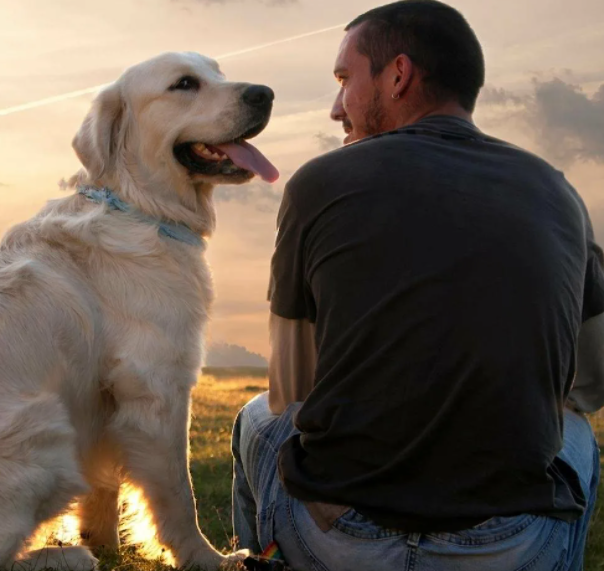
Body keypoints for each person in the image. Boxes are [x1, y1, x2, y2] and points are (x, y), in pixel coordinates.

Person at [231, 1, 604, 570]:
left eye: (343, 79)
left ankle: (264, 560)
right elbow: (594, 381)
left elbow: (292, 389)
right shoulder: (559, 195)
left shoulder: (320, 183)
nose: (336, 107)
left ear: (398, 74)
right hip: (511, 546)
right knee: (573, 431)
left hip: (340, 542)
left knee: (257, 417)